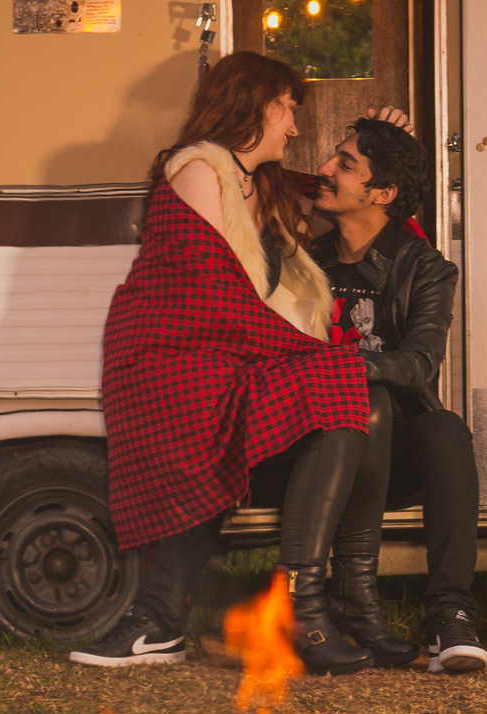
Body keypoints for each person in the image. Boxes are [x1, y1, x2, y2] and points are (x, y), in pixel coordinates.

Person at [70, 52, 393, 676]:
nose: (295, 128)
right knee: (311, 383)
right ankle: (160, 618)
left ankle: (303, 606)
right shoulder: (196, 171)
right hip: (165, 357)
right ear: (254, 104)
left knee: (342, 386)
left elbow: (344, 191)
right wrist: (307, 350)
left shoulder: (260, 182)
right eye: (288, 111)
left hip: (226, 356)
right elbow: (209, 295)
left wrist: (385, 132)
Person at [310, 118, 487, 673]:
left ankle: (450, 617)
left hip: (388, 452)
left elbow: (418, 364)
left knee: (446, 430)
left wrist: (341, 367)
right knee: (370, 402)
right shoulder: (306, 261)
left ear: (382, 194)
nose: (325, 170)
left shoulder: (426, 268)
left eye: (344, 164)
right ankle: (327, 600)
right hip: (313, 446)